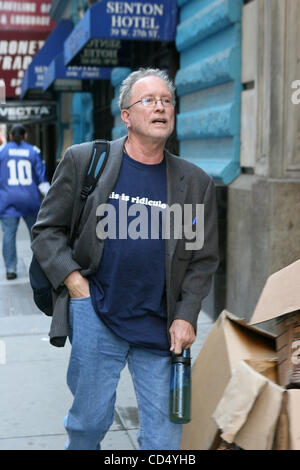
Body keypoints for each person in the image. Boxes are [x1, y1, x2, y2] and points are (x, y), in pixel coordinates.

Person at [31, 68, 219, 450]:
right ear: (127, 115)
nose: (161, 107)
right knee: (88, 424)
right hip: (97, 312)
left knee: (165, 439)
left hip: (160, 327)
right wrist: (74, 283)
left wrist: (186, 315)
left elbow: (203, 260)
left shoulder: (196, 182)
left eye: (167, 100)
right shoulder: (87, 161)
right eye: (149, 100)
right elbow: (46, 230)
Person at [0, 124, 50, 280]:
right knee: (36, 235)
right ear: (25, 136)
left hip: (8, 200)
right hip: (30, 200)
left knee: (8, 235)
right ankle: (42, 267)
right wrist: (51, 198)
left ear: (10, 136)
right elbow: (42, 180)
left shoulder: (2, 152)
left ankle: (10, 269)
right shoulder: (33, 151)